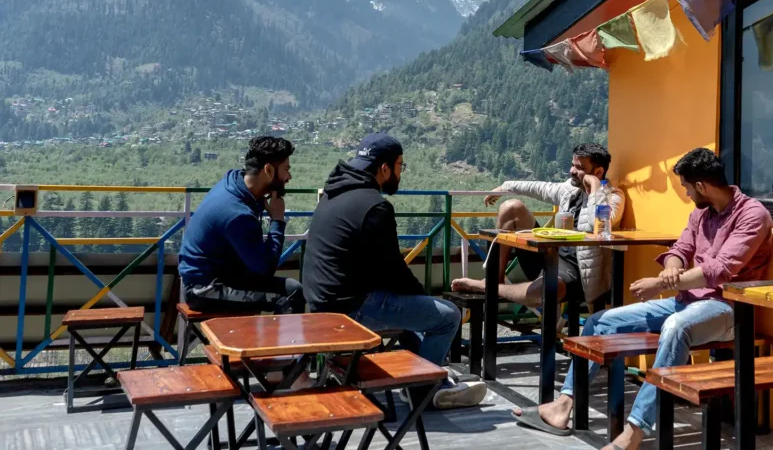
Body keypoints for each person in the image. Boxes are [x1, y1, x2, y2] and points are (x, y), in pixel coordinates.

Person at [513, 147, 773, 450]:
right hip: (686, 300)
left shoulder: (753, 215)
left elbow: (721, 269)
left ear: (701, 186)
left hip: (728, 308)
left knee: (675, 327)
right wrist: (671, 270)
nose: (687, 194)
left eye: (686, 188)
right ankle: (564, 404)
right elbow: (679, 250)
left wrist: (662, 283)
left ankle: (635, 431)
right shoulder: (701, 213)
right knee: (600, 322)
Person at [302, 133, 486, 410]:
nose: (401, 173)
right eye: (401, 166)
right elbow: (394, 271)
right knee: (448, 316)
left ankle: (426, 376)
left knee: (411, 316)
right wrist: (426, 300)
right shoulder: (376, 207)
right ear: (385, 168)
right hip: (350, 309)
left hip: (319, 302)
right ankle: (423, 389)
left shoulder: (333, 193)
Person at [450, 143, 625, 310]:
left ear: (598, 171)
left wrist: (595, 186)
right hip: (550, 253)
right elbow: (540, 187)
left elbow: (602, 224)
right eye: (572, 165)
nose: (572, 171)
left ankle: (489, 288)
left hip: (577, 270)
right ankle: (495, 279)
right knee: (511, 207)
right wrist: (505, 186)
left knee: (541, 293)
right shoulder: (570, 189)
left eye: (579, 168)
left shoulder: (614, 196)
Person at [178, 136, 304, 314]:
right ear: (268, 169)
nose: (289, 177)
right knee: (291, 293)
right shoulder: (237, 213)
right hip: (203, 288)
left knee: (268, 290)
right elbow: (265, 269)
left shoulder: (234, 181)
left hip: (218, 276)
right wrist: (277, 220)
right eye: (286, 169)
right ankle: (281, 343)